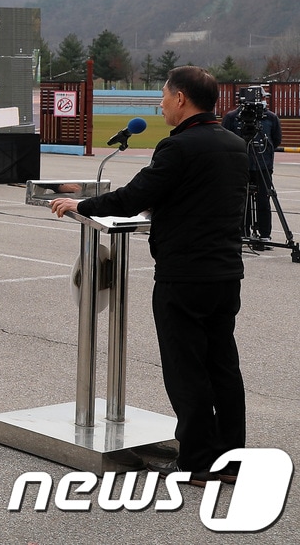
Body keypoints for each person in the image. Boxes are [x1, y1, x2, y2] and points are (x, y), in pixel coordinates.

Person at [51, 66, 248, 485]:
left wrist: (82, 205)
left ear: (181, 98)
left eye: (163, 95)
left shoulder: (177, 147)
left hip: (184, 275)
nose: (160, 104)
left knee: (186, 370)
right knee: (223, 368)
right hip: (225, 274)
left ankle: (195, 462)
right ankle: (230, 461)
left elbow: (136, 196)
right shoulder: (234, 144)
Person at [221, 95, 283, 248]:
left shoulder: (270, 117)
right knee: (241, 200)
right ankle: (242, 232)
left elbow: (276, 139)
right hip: (239, 165)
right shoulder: (232, 117)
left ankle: (265, 235)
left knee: (264, 199)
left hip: (263, 164)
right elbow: (224, 138)